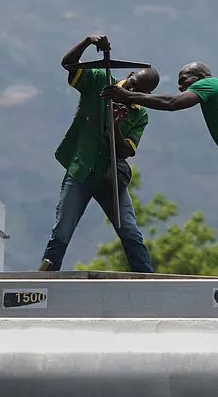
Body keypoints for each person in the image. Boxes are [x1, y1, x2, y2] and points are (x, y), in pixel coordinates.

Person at [102, 62, 218, 278]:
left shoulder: (210, 84)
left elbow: (172, 103)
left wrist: (128, 96)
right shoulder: (215, 91)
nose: (181, 88)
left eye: (183, 80)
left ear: (201, 75)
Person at [38, 34, 159, 273]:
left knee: (129, 230)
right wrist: (87, 42)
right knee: (62, 228)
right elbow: (69, 64)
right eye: (132, 84)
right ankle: (45, 278)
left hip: (109, 178)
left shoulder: (139, 114)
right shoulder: (99, 81)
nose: (132, 91)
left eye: (139, 92)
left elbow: (126, 151)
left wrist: (114, 125)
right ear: (129, 76)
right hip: (80, 169)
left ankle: (146, 278)